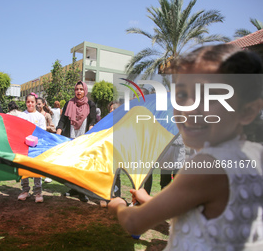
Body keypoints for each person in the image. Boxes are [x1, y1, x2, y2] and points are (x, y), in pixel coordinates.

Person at [108, 44, 263, 250]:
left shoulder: (207, 165)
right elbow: (200, 208)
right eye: (181, 95)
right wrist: (148, 199)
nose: (189, 109)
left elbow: (134, 222)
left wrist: (119, 206)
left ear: (248, 111)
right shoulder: (254, 154)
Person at [56, 81, 96, 202]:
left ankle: (82, 191)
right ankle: (73, 188)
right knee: (71, 165)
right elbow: (62, 120)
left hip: (84, 140)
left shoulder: (90, 104)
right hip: (70, 138)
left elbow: (92, 121)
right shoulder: (69, 103)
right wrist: (57, 135)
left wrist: (88, 136)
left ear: (85, 91)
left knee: (82, 165)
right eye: (76, 89)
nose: (78, 91)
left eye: (81, 89)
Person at [17, 93, 46, 203]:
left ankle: (38, 192)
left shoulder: (40, 116)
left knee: (36, 170)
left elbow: (42, 132)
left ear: (36, 103)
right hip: (24, 147)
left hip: (36, 148)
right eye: (28, 102)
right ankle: (25, 191)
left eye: (32, 102)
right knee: (24, 169)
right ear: (25, 102)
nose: (30, 104)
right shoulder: (21, 116)